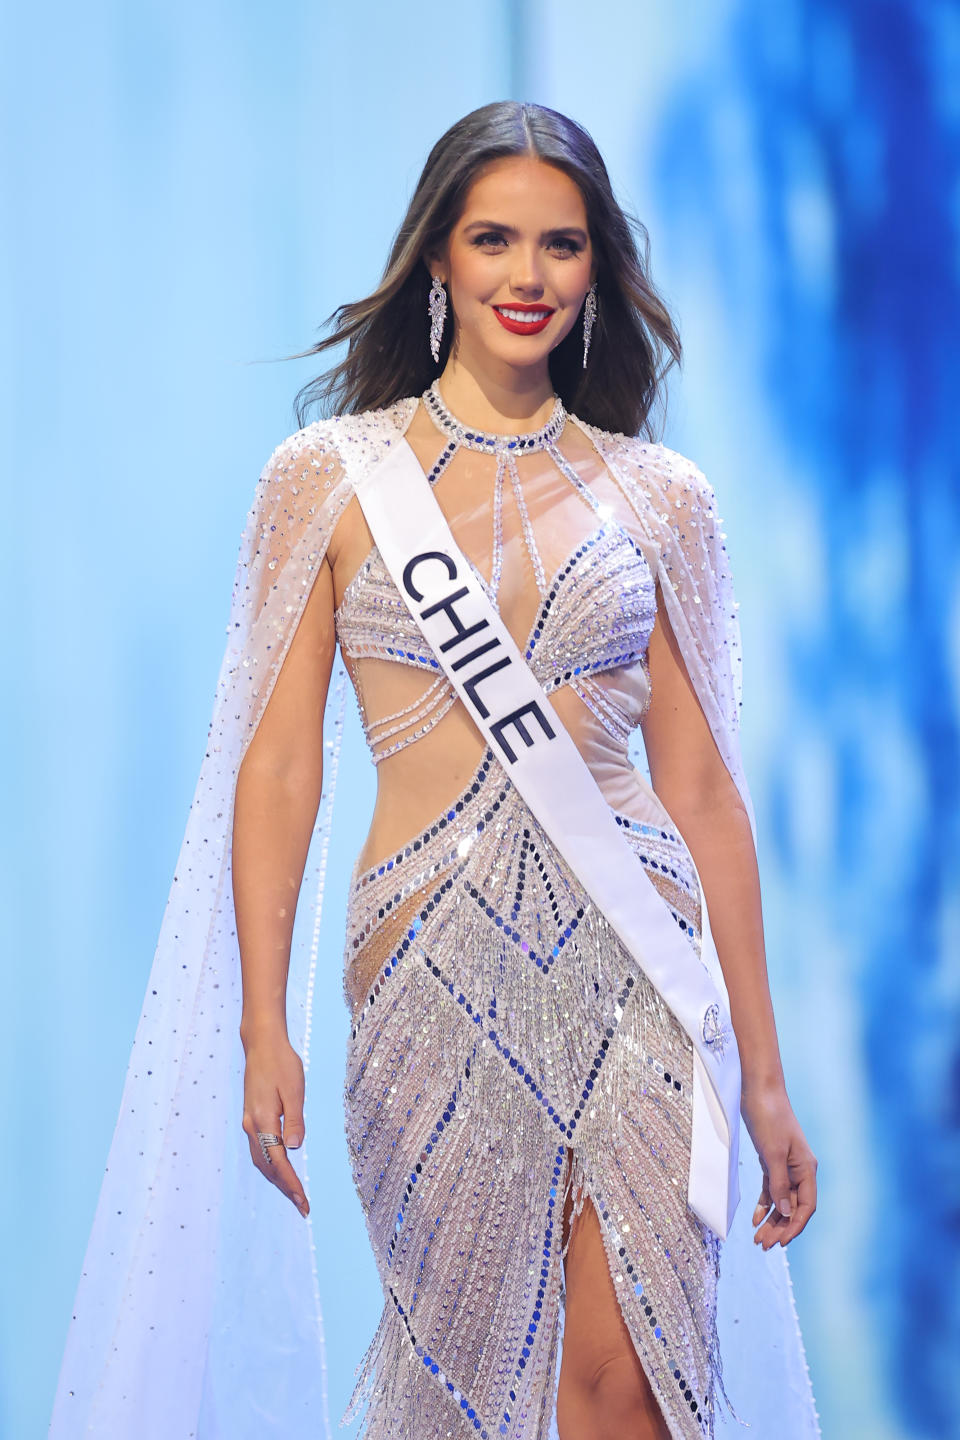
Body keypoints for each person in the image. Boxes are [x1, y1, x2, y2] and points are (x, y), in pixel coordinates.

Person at [50, 102, 820, 1440]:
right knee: (465, 1388)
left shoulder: (663, 497)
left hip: (642, 973)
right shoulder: (328, 481)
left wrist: (761, 1069)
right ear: (438, 265)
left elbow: (701, 794)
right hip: (424, 976)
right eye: (495, 239)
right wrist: (261, 1025)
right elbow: (280, 766)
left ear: (597, 273)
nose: (528, 276)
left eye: (562, 245)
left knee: (626, 1381)